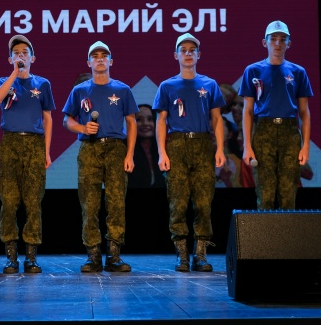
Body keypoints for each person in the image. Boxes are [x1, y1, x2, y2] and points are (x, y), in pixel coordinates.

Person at [62, 41, 138, 273]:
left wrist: (130, 154)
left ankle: (114, 255)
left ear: (111, 61)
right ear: (89, 62)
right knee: (89, 204)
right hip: (90, 149)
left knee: (116, 203)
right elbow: (67, 120)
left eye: (104, 55)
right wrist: (82, 128)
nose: (100, 59)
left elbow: (131, 123)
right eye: (95, 56)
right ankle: (93, 255)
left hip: (116, 148)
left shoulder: (123, 90)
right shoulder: (80, 90)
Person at [153, 32, 225, 273]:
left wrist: (220, 149)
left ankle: (201, 254)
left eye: (192, 50)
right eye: (183, 50)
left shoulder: (210, 84)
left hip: (202, 144)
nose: (187, 54)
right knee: (178, 202)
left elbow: (217, 119)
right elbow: (161, 121)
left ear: (198, 55)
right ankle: (182, 254)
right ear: (176, 55)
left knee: (204, 202)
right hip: (177, 144)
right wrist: (162, 152)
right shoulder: (167, 86)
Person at [0, 35, 55, 274]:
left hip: (34, 143)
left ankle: (31, 256)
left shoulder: (42, 84)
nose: (20, 55)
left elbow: (48, 118)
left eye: (24, 52)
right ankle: (11, 256)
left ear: (33, 58)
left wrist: (46, 151)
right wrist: (14, 74)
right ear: (10, 58)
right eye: (16, 53)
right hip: (10, 143)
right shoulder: (3, 81)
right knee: (9, 201)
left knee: (33, 201)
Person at [239, 20, 313, 209]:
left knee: (289, 194)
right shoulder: (253, 70)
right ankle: (266, 230)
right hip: (263, 130)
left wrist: (305, 146)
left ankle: (288, 229)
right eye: (273, 39)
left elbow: (304, 112)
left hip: (290, 131)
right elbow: (247, 111)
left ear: (289, 43)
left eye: (282, 39)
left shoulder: (298, 72)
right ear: (265, 42)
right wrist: (247, 146)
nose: (278, 43)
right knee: (265, 194)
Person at [128, 104, 165, 188]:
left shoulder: (165, 149)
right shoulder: (124, 149)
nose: (145, 123)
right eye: (139, 119)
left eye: (150, 119)